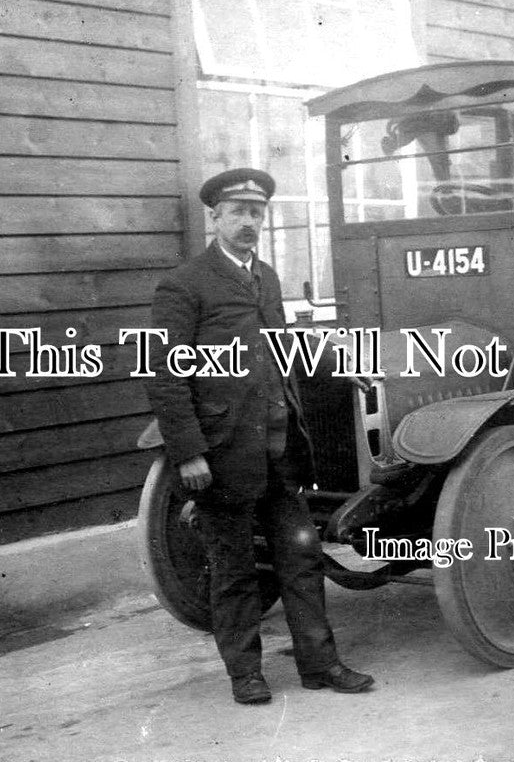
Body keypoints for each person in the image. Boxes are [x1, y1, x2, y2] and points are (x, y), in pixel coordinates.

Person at [145, 168, 373, 704]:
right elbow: (165, 373)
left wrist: (341, 366)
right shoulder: (184, 285)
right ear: (215, 218)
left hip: (281, 451)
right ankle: (245, 674)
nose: (249, 223)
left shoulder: (266, 278)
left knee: (302, 557)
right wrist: (188, 452)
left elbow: (281, 345)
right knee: (234, 569)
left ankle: (320, 664)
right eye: (238, 213)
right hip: (224, 454)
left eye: (257, 213)